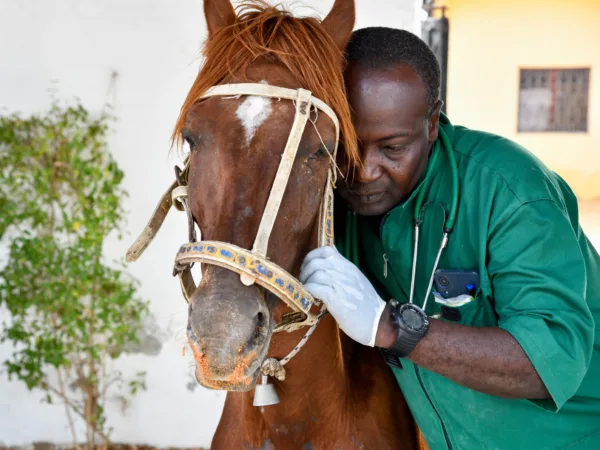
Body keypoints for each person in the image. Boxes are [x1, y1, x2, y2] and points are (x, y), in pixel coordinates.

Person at [300, 27, 600, 450]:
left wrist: (392, 327)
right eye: (349, 146)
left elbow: (550, 359)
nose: (365, 172)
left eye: (393, 147)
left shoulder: (511, 191)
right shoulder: (336, 200)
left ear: (433, 123)